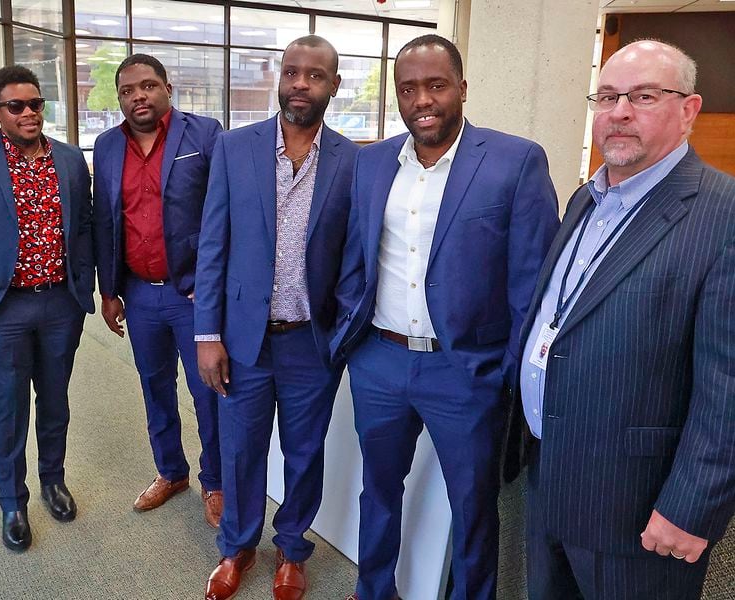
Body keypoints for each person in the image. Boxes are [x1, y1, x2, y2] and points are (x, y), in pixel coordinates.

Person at [331, 35, 559, 600]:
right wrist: (353, 340)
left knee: (472, 506)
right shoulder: (372, 162)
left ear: (461, 87)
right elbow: (355, 256)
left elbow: (532, 284)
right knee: (378, 491)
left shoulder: (515, 160)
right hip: (379, 362)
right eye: (408, 89)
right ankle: (372, 590)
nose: (422, 100)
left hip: (465, 373)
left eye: (435, 85)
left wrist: (503, 371)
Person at [513, 39, 735, 599]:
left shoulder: (722, 214)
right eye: (607, 96)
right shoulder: (587, 198)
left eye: (643, 96)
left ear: (689, 109)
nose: (619, 112)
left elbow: (727, 387)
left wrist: (690, 506)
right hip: (553, 480)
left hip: (639, 507)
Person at [196, 35, 359, 600]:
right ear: (279, 78)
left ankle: (292, 548)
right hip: (241, 337)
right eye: (291, 72)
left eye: (314, 76)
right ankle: (238, 546)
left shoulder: (353, 161)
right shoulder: (234, 149)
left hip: (308, 343)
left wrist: (341, 334)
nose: (299, 84)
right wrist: (207, 333)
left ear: (333, 86)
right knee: (240, 447)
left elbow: (355, 258)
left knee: (304, 450)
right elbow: (212, 243)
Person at [0, 65, 95, 552]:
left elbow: (86, 227)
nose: (29, 113)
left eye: (36, 104)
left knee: (55, 400)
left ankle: (53, 480)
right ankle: (13, 500)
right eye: (16, 106)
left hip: (60, 304)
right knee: (7, 406)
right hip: (2, 307)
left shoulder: (69, 160)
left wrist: (83, 285)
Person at [92, 54, 224, 526]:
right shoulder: (107, 145)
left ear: (167, 87)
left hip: (192, 293)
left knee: (207, 390)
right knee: (154, 386)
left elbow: (223, 213)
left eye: (148, 86)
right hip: (139, 294)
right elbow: (105, 220)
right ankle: (171, 471)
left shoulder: (205, 134)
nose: (138, 96)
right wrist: (109, 291)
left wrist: (213, 286)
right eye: (128, 90)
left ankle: (216, 480)